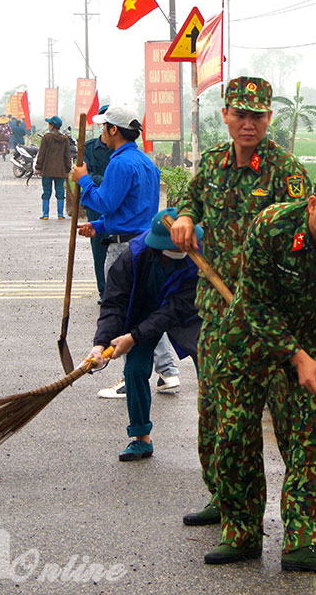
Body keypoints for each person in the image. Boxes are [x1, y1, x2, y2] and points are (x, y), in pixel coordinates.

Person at [171, 76, 316, 530]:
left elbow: (302, 237)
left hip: (275, 315)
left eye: (258, 116)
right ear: (226, 116)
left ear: (269, 119)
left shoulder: (286, 171)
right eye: (240, 114)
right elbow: (190, 199)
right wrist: (187, 216)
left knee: (294, 412)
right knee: (216, 412)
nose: (248, 124)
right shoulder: (211, 164)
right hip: (222, 312)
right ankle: (224, 496)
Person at [201, 167, 316, 575]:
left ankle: (303, 543)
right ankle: (242, 534)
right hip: (250, 337)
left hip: (315, 337)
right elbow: (253, 304)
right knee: (235, 435)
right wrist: (294, 356)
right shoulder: (274, 226)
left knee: (310, 440)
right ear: (313, 204)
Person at [72, 104, 182, 397]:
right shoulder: (145, 161)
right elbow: (132, 210)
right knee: (145, 310)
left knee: (127, 312)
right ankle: (169, 372)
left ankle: (132, 379)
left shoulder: (119, 163)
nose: (100, 132)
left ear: (113, 130)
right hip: (144, 242)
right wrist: (100, 226)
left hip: (124, 249)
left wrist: (82, 179)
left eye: (103, 126)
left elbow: (105, 202)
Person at [87, 208, 203, 461]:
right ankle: (141, 438)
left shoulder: (200, 258)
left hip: (188, 315)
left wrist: (133, 337)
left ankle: (218, 434)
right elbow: (114, 302)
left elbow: (176, 310)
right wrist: (101, 342)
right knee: (135, 370)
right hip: (143, 311)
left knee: (211, 366)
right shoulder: (134, 257)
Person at [81, 104, 114, 300]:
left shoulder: (120, 150)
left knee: (121, 246)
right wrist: (106, 182)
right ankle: (103, 290)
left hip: (117, 203)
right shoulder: (90, 148)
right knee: (99, 248)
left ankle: (118, 289)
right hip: (95, 204)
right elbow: (86, 173)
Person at [34, 116, 72, 219]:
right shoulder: (64, 139)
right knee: (60, 192)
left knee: (46, 192)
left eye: (49, 124)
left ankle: (45, 214)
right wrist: (68, 169)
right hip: (60, 171)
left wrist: (38, 167)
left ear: (52, 126)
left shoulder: (46, 137)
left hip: (47, 170)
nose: (48, 125)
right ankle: (60, 215)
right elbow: (67, 155)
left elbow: (41, 153)